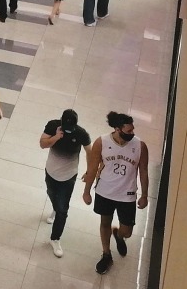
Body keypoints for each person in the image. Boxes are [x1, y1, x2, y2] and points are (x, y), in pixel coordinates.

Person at [83, 112, 149, 275]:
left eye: (132, 130)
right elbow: (92, 168)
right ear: (117, 129)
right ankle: (106, 254)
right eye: (128, 131)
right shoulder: (101, 142)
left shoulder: (140, 146)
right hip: (105, 191)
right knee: (105, 222)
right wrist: (87, 192)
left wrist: (144, 195)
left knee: (127, 231)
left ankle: (119, 236)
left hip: (127, 195)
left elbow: (144, 171)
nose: (131, 134)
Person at [40, 110, 92, 258]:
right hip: (50, 172)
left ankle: (55, 239)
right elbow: (42, 144)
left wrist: (89, 171)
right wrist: (56, 137)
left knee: (63, 209)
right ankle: (56, 208)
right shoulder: (52, 126)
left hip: (68, 177)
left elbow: (90, 151)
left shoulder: (81, 133)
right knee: (51, 194)